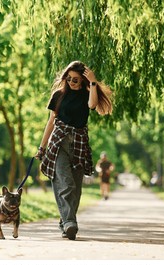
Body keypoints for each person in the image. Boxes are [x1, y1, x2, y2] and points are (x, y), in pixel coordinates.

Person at [35, 61, 113, 240]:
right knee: (66, 183)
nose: (71, 82)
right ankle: (70, 222)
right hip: (58, 143)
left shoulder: (87, 94)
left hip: (79, 143)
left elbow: (92, 105)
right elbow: (51, 122)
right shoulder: (58, 95)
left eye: (76, 80)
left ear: (83, 80)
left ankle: (65, 222)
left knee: (76, 189)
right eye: (69, 79)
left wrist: (93, 82)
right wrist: (42, 147)